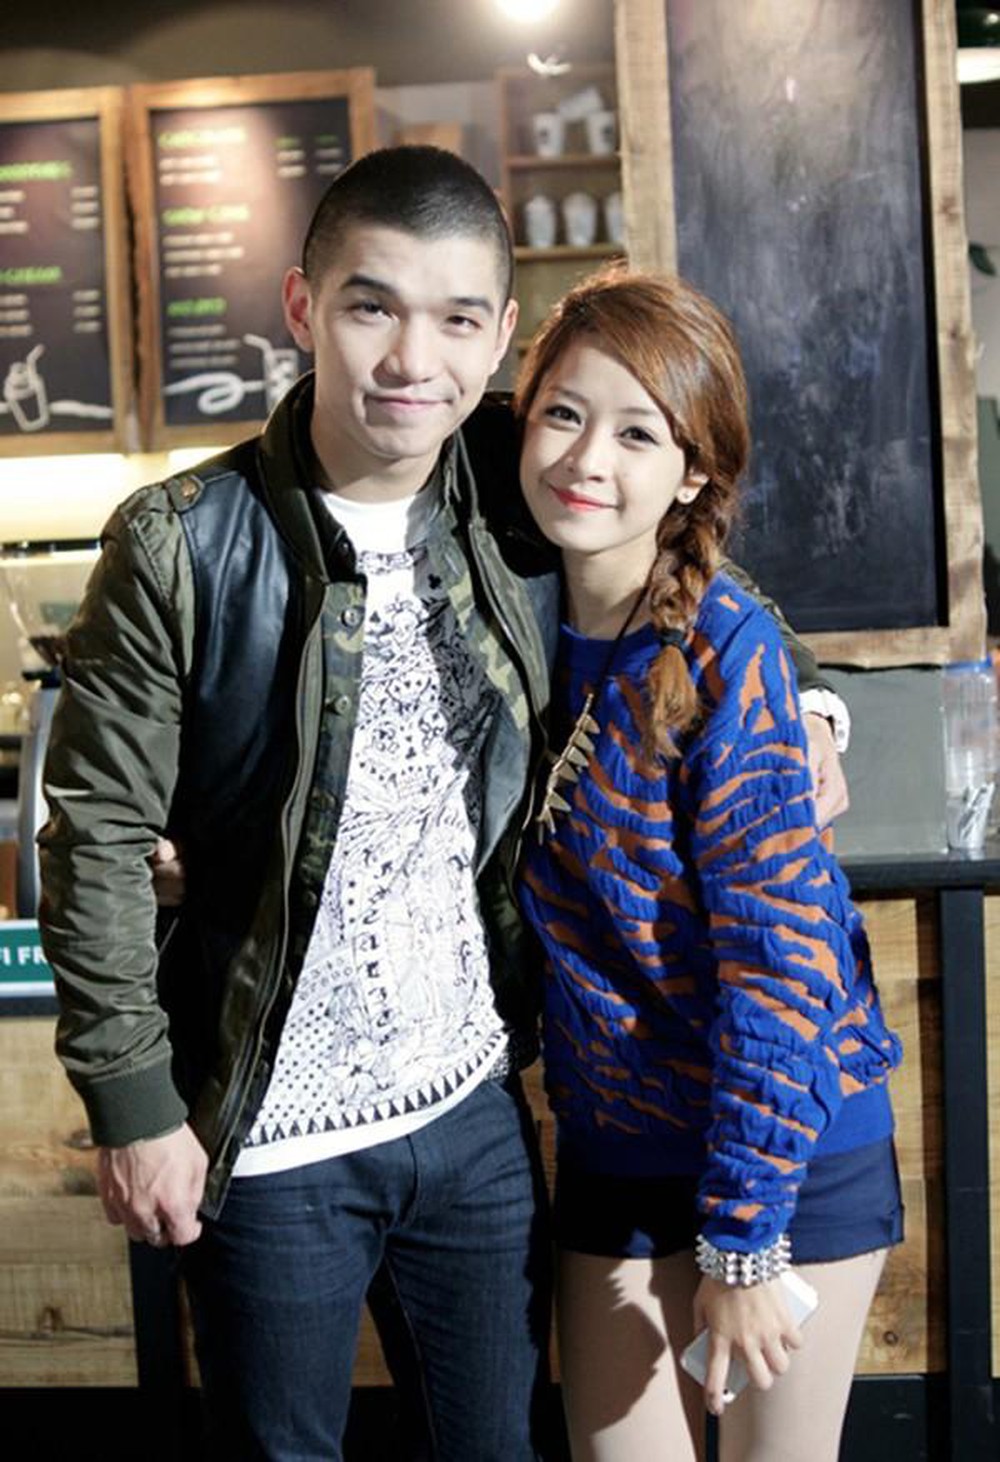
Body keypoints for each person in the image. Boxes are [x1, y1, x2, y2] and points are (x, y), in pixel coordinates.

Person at [39, 146, 848, 1461]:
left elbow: (682, 551)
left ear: (500, 334)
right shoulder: (182, 540)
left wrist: (808, 698)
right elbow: (95, 838)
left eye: (459, 318)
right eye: (373, 305)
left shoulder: (513, 480)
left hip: (473, 1109)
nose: (414, 358)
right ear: (303, 307)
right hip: (267, 1124)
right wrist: (133, 1103)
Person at [514, 267, 903, 1462]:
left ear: (691, 473)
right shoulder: (504, 618)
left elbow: (781, 964)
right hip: (615, 1150)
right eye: (562, 413)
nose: (587, 457)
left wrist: (744, 1239)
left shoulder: (726, 654)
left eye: (639, 433)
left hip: (785, 1152)